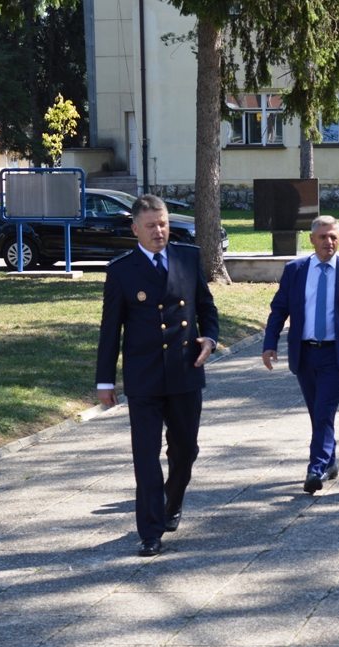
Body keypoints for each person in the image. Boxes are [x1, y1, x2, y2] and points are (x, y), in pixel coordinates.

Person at [95, 194, 219, 556]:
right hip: (144, 377)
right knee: (146, 456)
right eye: (150, 225)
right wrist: (105, 381)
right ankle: (150, 531)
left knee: (186, 450)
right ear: (135, 229)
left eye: (163, 223)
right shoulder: (122, 270)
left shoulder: (188, 257)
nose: (159, 231)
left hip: (184, 371)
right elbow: (110, 330)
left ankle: (172, 502)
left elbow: (206, 307)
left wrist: (210, 338)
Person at [263, 215, 339, 494]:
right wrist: (270, 343)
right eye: (323, 237)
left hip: (335, 354)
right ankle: (330, 460)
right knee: (318, 413)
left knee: (324, 410)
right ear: (312, 239)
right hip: (304, 354)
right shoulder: (295, 270)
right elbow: (279, 309)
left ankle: (316, 468)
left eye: (334, 237)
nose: (329, 242)